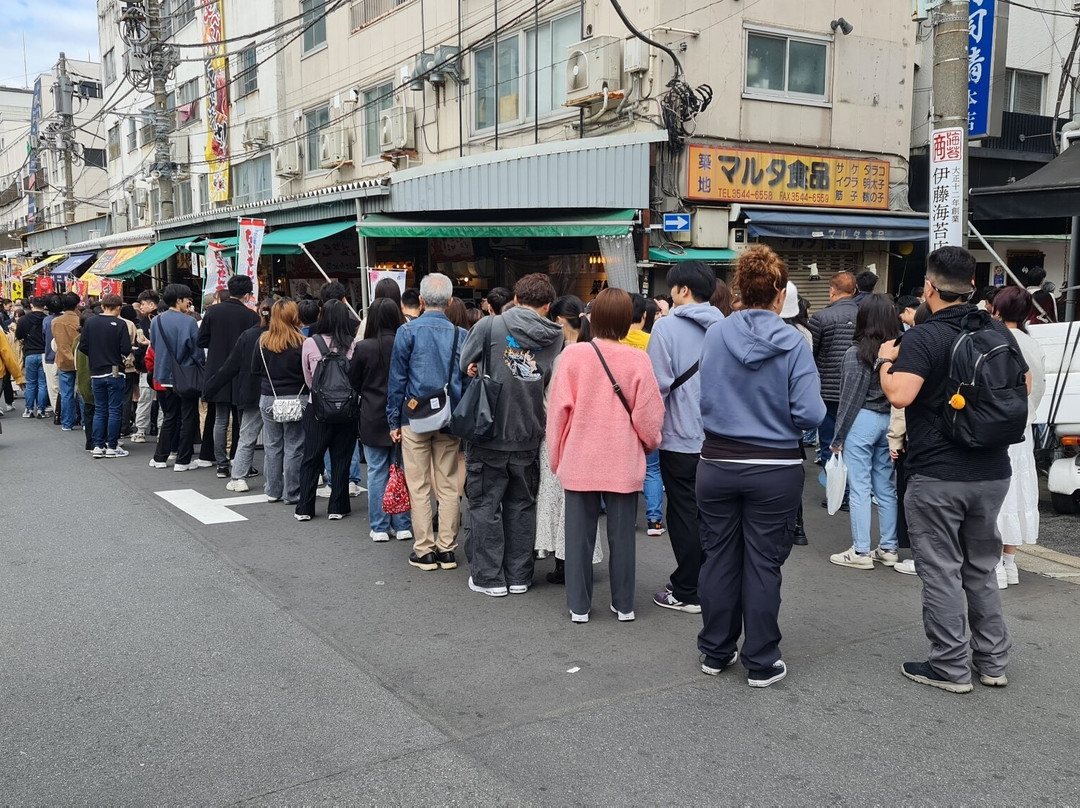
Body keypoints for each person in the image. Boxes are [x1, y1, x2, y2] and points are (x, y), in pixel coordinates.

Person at [878, 246, 1028, 693]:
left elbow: (901, 395)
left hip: (939, 474)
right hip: (993, 471)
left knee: (941, 569)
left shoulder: (924, 337)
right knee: (980, 568)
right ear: (972, 285)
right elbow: (1022, 389)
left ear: (929, 286)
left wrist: (885, 360)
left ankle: (949, 666)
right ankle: (993, 662)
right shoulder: (998, 333)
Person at [695, 246, 825, 688]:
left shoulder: (715, 335)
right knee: (763, 563)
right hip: (774, 466)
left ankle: (715, 650)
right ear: (781, 293)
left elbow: (704, 395)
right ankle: (762, 660)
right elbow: (810, 414)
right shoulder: (794, 341)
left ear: (738, 290)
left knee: (718, 557)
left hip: (716, 460)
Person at [547, 287, 664, 623]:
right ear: (629, 320)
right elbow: (650, 418)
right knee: (623, 536)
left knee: (578, 538)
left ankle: (579, 606)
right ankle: (624, 604)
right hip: (623, 459)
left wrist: (557, 458)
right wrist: (647, 443)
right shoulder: (638, 359)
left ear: (593, 318)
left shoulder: (573, 357)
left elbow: (557, 415)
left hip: (580, 458)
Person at [459, 273, 563, 597]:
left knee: (485, 505)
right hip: (530, 431)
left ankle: (489, 578)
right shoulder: (556, 336)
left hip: (488, 430)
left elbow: (465, 362)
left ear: (515, 299)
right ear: (547, 305)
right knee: (521, 505)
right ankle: (519, 576)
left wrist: (477, 367)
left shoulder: (490, 326)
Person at [646, 261, 725, 614]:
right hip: (722, 439)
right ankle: (716, 582)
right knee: (715, 515)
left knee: (683, 513)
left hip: (680, 437)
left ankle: (688, 590)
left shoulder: (665, 330)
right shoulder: (727, 327)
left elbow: (657, 387)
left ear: (682, 290)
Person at [387, 273, 469, 571]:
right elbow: (465, 377)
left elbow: (396, 380)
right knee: (448, 485)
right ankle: (447, 549)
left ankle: (424, 550)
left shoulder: (407, 332)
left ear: (420, 301)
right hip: (448, 417)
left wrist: (393, 419)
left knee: (418, 485)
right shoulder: (461, 334)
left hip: (414, 417)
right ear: (449, 302)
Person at [828, 295, 902, 570]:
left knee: (860, 487)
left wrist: (838, 439)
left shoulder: (856, 353)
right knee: (885, 487)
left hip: (862, 420)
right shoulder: (899, 350)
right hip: (889, 422)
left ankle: (860, 551)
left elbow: (850, 399)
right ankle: (889, 547)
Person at [534, 296, 596, 583]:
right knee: (581, 500)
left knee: (557, 497)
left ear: (559, 320)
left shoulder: (564, 357)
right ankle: (582, 555)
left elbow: (552, 404)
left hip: (561, 437)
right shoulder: (595, 351)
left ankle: (563, 560)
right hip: (588, 437)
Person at [990, 286, 1046, 588]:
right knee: (1019, 489)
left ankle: (995, 564)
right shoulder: (1032, 342)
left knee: (998, 491)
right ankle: (1009, 563)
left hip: (999, 427)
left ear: (998, 309)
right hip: (1024, 427)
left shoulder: (996, 339)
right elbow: (1039, 386)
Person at [350, 298, 412, 542]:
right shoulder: (404, 342)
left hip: (372, 414)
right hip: (405, 414)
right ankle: (403, 524)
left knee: (376, 472)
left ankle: (379, 526)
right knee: (403, 470)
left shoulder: (364, 347)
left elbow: (353, 381)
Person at [295, 300, 359, 522]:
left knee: (311, 458)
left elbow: (307, 377)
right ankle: (338, 506)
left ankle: (305, 507)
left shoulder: (311, 343)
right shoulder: (352, 344)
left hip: (317, 408)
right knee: (341, 457)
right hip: (347, 409)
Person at [203, 299, 272, 492]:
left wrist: (210, 388)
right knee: (280, 441)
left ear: (260, 313)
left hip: (251, 391)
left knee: (246, 436)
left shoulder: (249, 336)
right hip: (283, 395)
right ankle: (276, 481)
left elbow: (229, 367)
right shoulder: (292, 336)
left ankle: (238, 477)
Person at [198, 275, 260, 479]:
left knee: (220, 418)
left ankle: (221, 465)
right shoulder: (251, 316)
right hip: (242, 371)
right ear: (248, 294)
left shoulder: (212, 312)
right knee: (243, 421)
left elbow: (201, 340)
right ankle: (242, 463)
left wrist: (217, 345)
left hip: (217, 370)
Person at [253, 299, 308, 504]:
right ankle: (292, 492)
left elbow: (255, 370)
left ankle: (273, 490)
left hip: (269, 397)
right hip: (297, 398)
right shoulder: (302, 343)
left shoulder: (263, 342)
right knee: (294, 446)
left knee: (272, 445)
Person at [148, 284, 208, 472]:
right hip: (186, 374)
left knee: (170, 416)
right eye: (187, 299)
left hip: (164, 374)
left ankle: (160, 457)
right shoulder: (188, 322)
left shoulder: (155, 321)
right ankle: (183, 460)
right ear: (179, 300)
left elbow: (155, 347)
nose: (189, 302)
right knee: (188, 417)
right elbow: (196, 351)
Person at [623, 293, 664, 538]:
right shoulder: (653, 341)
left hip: (619, 415)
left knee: (622, 467)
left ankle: (624, 518)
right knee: (652, 469)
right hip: (647, 412)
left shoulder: (611, 341)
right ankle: (654, 521)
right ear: (645, 315)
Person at [809, 272, 859, 471]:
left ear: (832, 290)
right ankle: (852, 490)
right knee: (854, 442)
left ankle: (836, 493)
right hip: (857, 390)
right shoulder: (866, 315)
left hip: (827, 391)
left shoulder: (821, 317)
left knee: (829, 440)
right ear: (854, 291)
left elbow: (811, 354)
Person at [78, 294, 133, 458]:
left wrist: (96, 356)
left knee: (100, 410)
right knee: (115, 409)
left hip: (96, 371)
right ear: (118, 308)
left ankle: (98, 445)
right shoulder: (121, 324)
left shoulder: (90, 323)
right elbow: (125, 349)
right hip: (115, 369)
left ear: (102, 306)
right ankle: (112, 446)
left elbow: (83, 346)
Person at [51, 293, 82, 432]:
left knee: (66, 393)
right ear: (77, 304)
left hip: (63, 359)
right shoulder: (81, 319)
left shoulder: (56, 321)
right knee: (82, 391)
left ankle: (67, 423)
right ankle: (84, 421)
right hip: (80, 358)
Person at [131, 290, 159, 443]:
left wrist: (137, 364)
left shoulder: (146, 323)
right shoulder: (158, 319)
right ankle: (160, 429)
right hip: (161, 367)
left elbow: (140, 348)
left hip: (147, 367)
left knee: (145, 399)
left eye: (142, 304)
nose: (141, 307)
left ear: (151, 304)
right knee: (160, 400)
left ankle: (141, 430)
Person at [14, 297, 49, 418]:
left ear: (31, 305)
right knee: (43, 383)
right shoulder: (46, 319)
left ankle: (29, 409)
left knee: (30, 383)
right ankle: (41, 409)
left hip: (29, 353)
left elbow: (18, 335)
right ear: (44, 306)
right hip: (44, 353)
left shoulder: (23, 320)